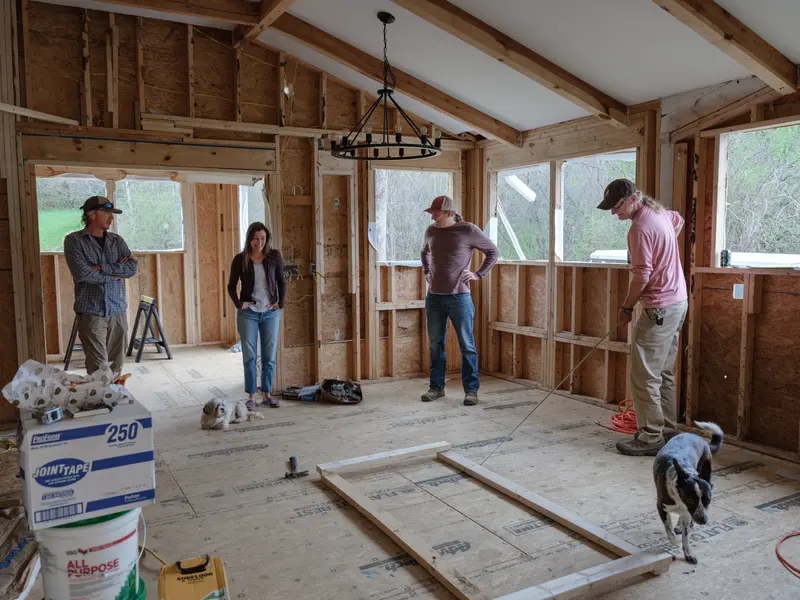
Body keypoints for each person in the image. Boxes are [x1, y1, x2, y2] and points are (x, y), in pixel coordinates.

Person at [596, 179, 688, 457]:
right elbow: (679, 220)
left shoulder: (639, 230)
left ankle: (651, 437)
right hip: (678, 303)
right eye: (611, 209)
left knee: (643, 376)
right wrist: (666, 248)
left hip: (658, 308)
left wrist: (626, 309)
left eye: (617, 206)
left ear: (634, 198)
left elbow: (641, 276)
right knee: (664, 372)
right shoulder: (660, 215)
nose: (615, 213)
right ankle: (668, 429)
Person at [420, 195, 499, 406]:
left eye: (436, 213)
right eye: (432, 213)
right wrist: (427, 271)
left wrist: (478, 274)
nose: (433, 217)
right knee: (436, 345)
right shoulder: (431, 231)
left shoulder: (468, 230)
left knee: (467, 345)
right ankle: (436, 388)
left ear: (449, 213)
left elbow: (493, 252)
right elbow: (424, 252)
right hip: (434, 298)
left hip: (460, 297)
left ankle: (471, 391)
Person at [63, 196, 138, 376]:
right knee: (98, 369)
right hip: (92, 313)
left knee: (116, 366)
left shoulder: (116, 241)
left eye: (112, 213)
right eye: (106, 212)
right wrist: (116, 273)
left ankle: (112, 401)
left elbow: (131, 268)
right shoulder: (74, 241)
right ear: (91, 214)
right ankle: (99, 403)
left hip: (117, 311)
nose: (111, 217)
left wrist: (101, 269)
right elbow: (83, 274)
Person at [227, 222, 286, 410]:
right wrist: (239, 304)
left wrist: (280, 304)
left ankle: (267, 394)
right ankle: (251, 396)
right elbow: (231, 286)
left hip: (270, 313)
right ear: (249, 239)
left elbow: (281, 282)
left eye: (262, 238)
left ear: (266, 238)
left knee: (269, 356)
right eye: (255, 239)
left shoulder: (274, 257)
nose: (259, 242)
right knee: (250, 356)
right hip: (248, 314)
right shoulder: (240, 259)